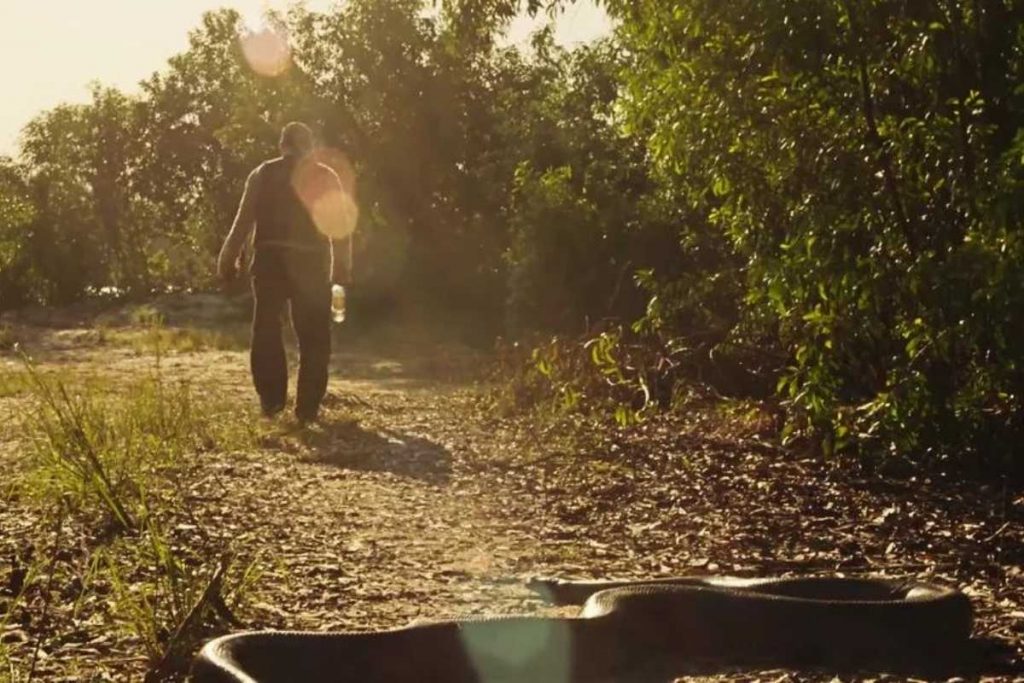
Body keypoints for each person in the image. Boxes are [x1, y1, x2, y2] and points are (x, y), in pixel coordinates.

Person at [217, 122, 351, 423]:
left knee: (266, 331)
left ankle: (272, 403)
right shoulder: (325, 176)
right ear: (309, 145)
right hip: (311, 263)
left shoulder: (261, 173)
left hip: (269, 261)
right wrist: (341, 268)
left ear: (282, 145)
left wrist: (226, 261)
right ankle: (307, 410)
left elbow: (242, 221)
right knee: (314, 336)